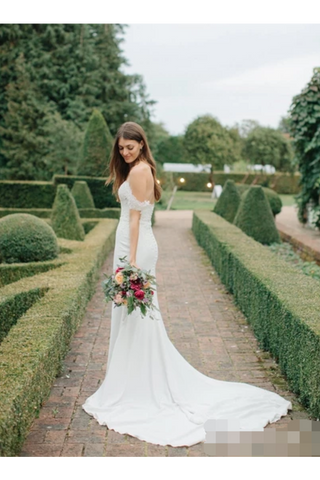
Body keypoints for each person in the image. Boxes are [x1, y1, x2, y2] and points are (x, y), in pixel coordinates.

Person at [82, 121, 292, 447]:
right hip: (131, 247)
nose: (125, 153)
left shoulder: (139, 171)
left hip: (135, 248)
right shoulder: (138, 169)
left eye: (130, 147)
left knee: (137, 315)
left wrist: (133, 265)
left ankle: (137, 385)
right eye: (121, 148)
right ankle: (132, 379)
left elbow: (135, 220)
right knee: (133, 316)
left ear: (141, 145)